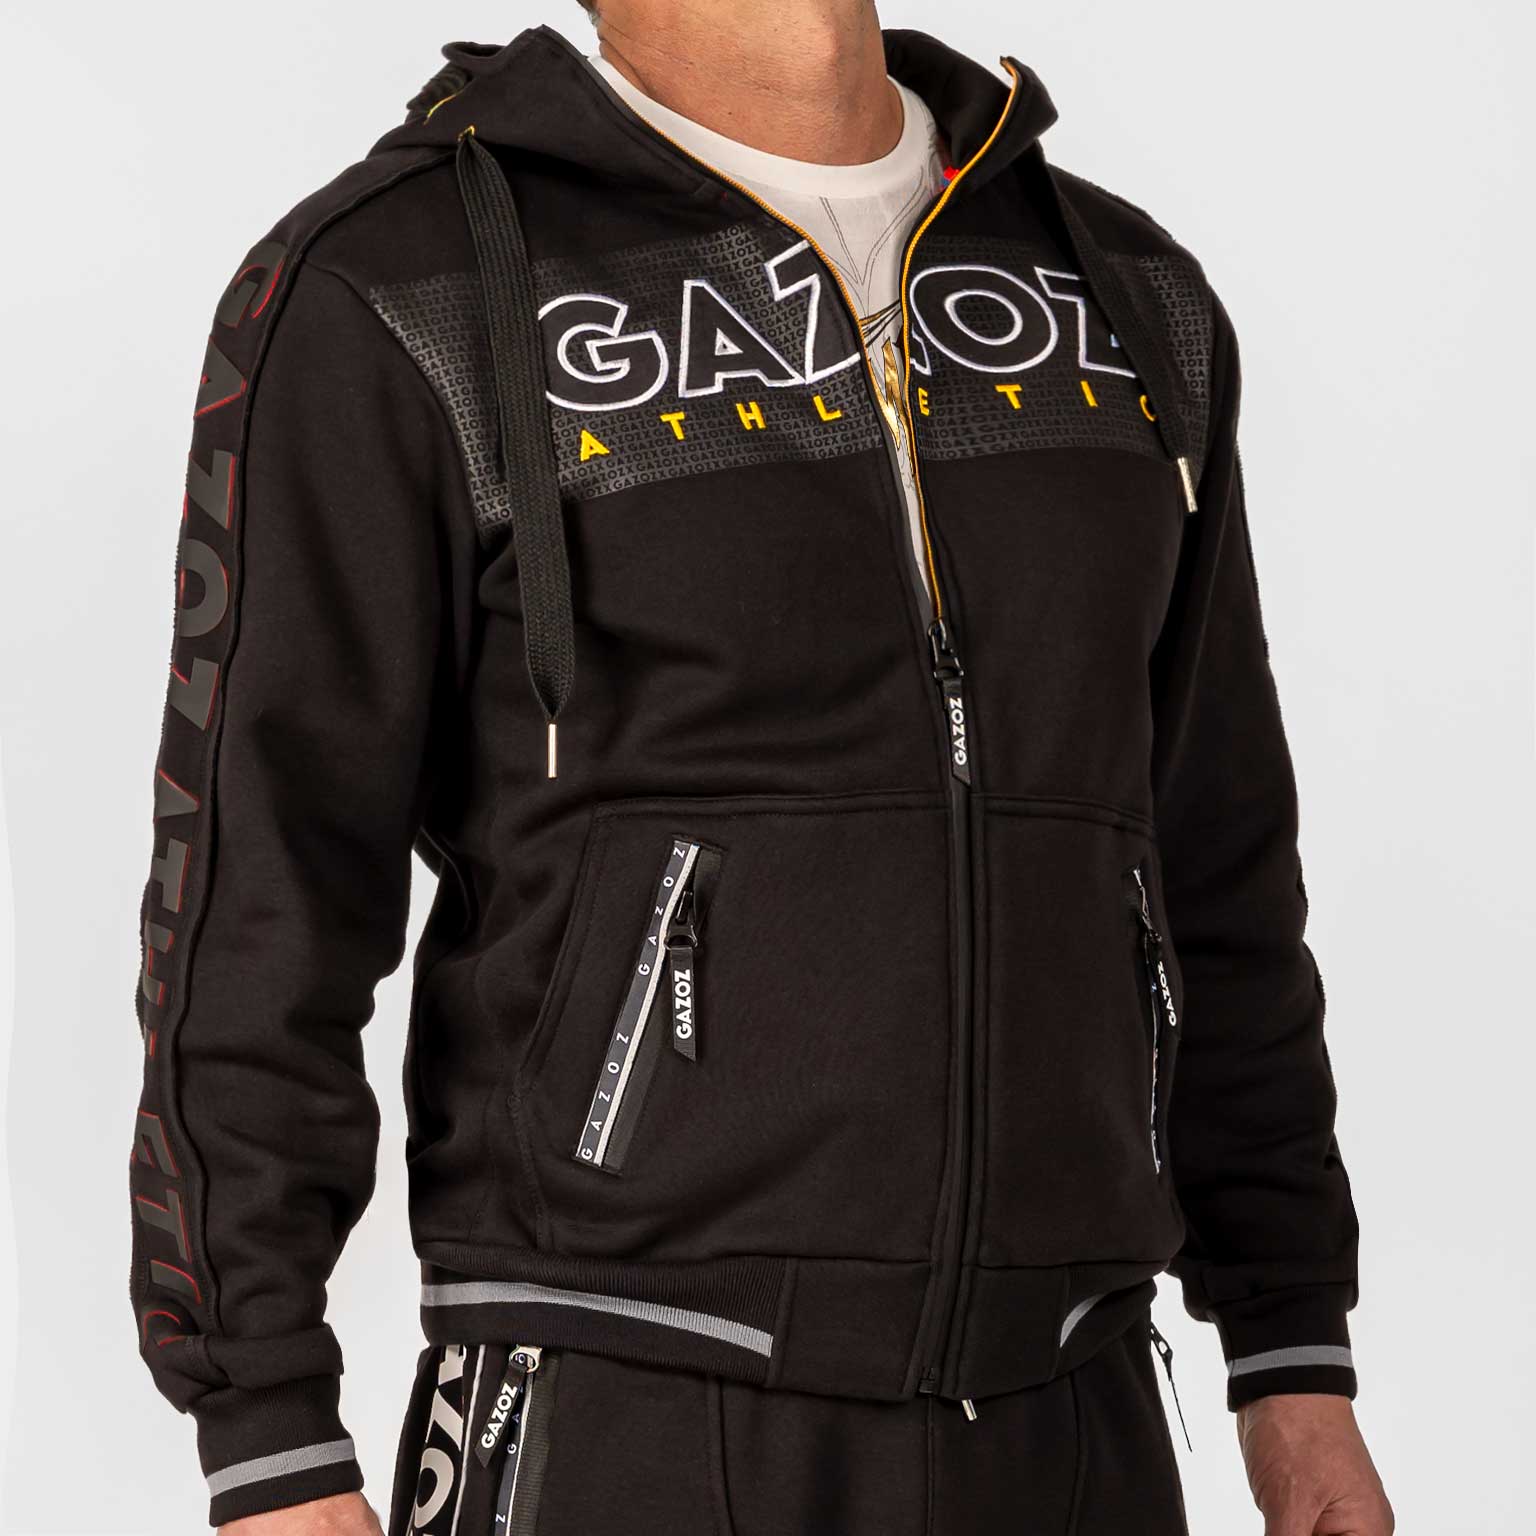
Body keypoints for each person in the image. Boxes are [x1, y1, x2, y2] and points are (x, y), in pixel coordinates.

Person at [128, 2, 1394, 1532]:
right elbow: (257, 895)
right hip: (621, 1403)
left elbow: (1214, 853)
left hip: (1073, 1407)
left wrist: (1290, 1345)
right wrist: (267, 1428)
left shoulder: (1117, 292)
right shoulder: (401, 288)